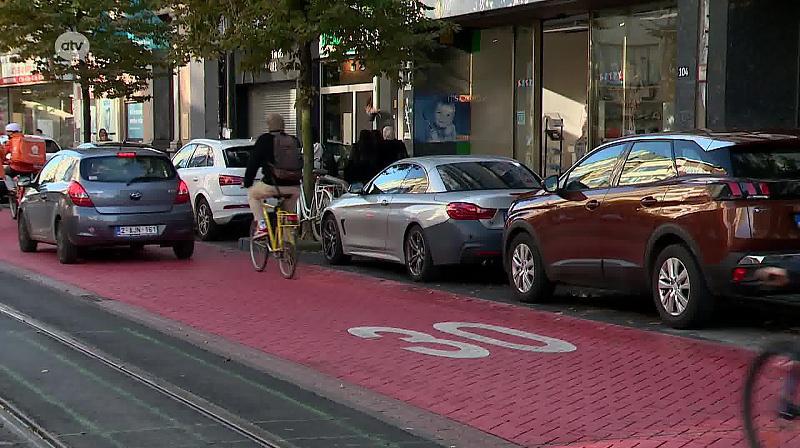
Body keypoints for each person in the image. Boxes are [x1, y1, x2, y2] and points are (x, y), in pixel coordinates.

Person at [244, 113, 302, 237]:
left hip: (273, 185)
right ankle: (288, 249)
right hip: (295, 188)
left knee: (252, 195)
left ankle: (262, 226)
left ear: (269, 125)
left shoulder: (264, 140)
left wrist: (247, 182)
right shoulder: (293, 140)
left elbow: (253, 163)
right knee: (286, 216)